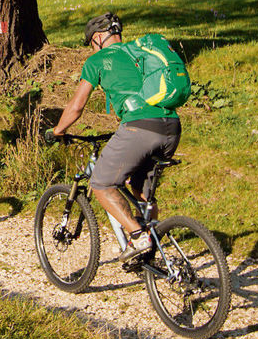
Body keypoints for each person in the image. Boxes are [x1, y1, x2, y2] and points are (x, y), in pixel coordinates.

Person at [45, 13, 181, 262]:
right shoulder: (138, 53)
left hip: (139, 129)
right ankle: (154, 246)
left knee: (101, 183)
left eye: (90, 44)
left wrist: (58, 130)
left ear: (97, 38)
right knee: (140, 190)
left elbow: (76, 107)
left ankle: (139, 237)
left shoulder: (97, 60)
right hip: (171, 126)